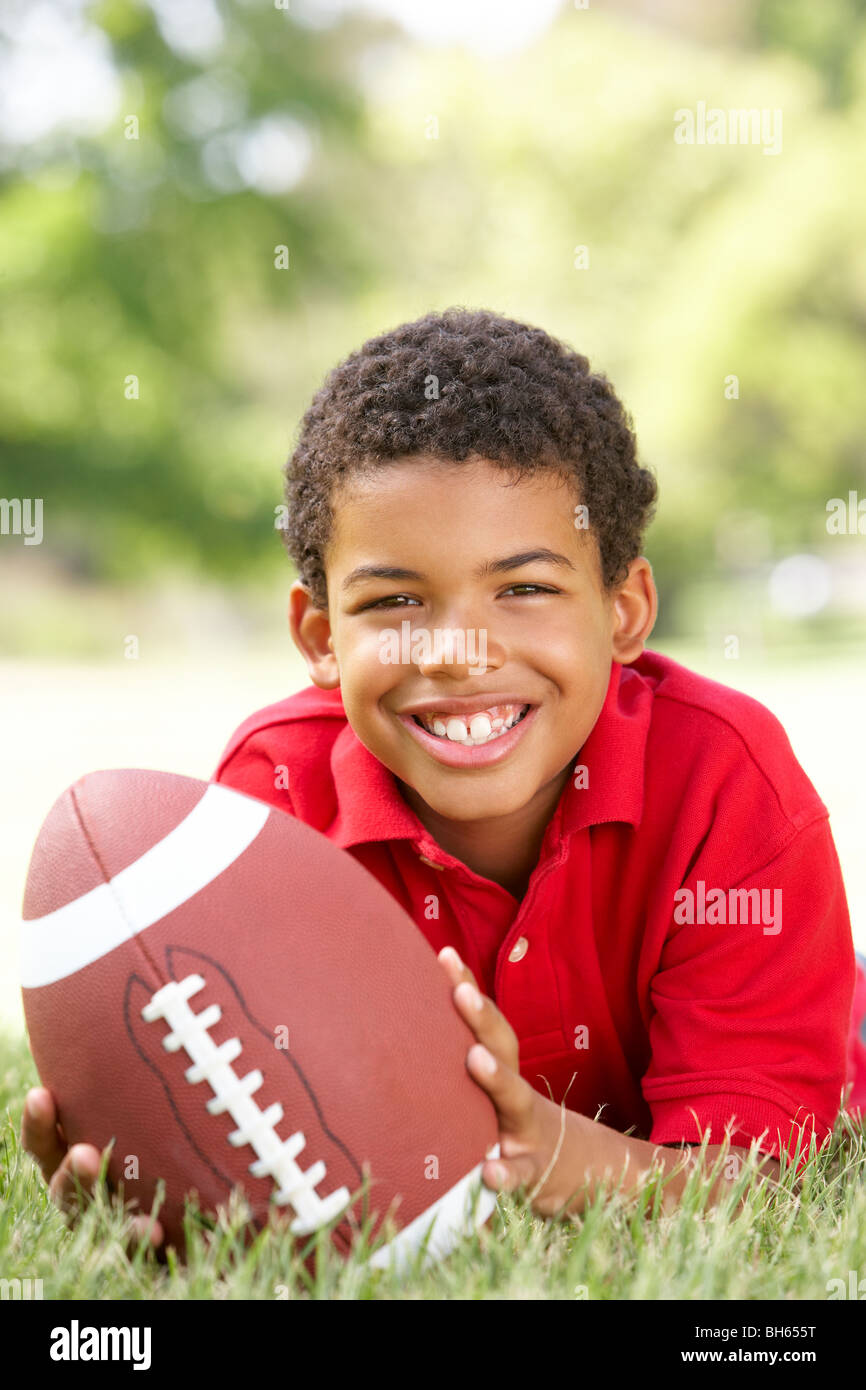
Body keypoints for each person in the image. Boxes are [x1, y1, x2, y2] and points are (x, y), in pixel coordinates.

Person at [22, 306, 863, 1248]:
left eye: (526, 588)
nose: (461, 653)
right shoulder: (274, 805)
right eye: (394, 601)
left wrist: (536, 1146)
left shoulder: (726, 782)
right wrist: (177, 1168)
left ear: (624, 609)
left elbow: (760, 1182)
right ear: (319, 636)